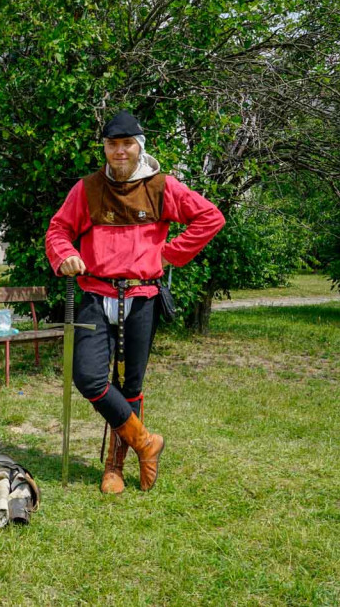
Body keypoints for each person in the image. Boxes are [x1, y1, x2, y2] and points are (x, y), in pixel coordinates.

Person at [45, 110, 225, 494]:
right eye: (112, 145)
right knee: (90, 377)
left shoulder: (162, 186)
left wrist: (171, 254)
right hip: (95, 292)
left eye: (127, 144)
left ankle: (115, 467)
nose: (120, 151)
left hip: (141, 296)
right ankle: (146, 442)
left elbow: (210, 218)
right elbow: (58, 230)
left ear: (139, 146)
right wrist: (64, 257)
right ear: (105, 149)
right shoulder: (87, 188)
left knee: (131, 384)